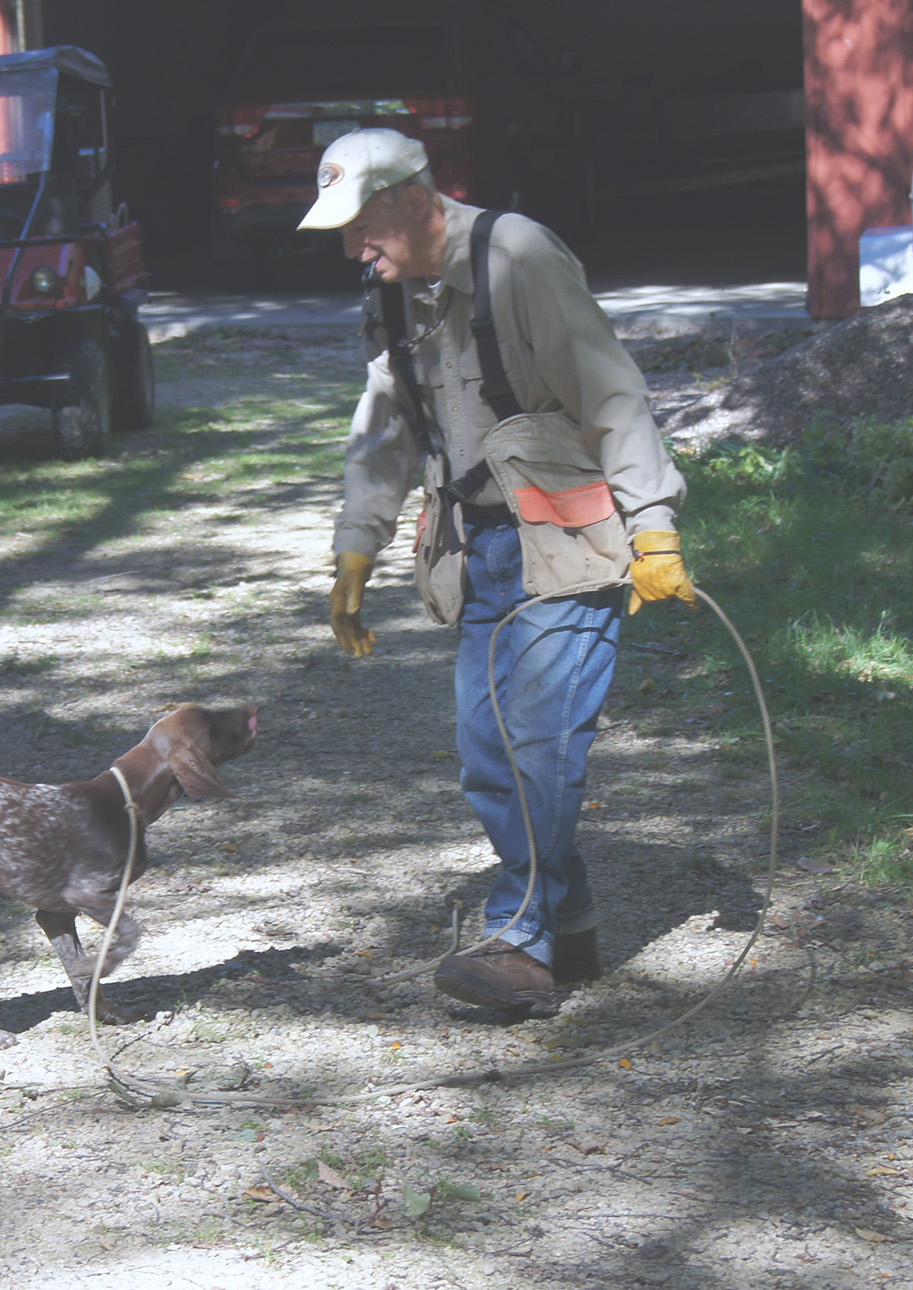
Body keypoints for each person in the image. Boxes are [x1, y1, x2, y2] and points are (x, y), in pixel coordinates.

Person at [299, 129, 695, 1012]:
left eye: (361, 222)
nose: (350, 246)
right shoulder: (395, 287)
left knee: (536, 746)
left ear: (414, 197)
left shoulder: (517, 255)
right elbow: (385, 425)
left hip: (567, 541)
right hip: (478, 552)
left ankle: (520, 936)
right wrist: (355, 547)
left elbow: (612, 392)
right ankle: (573, 920)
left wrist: (656, 527)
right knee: (488, 751)